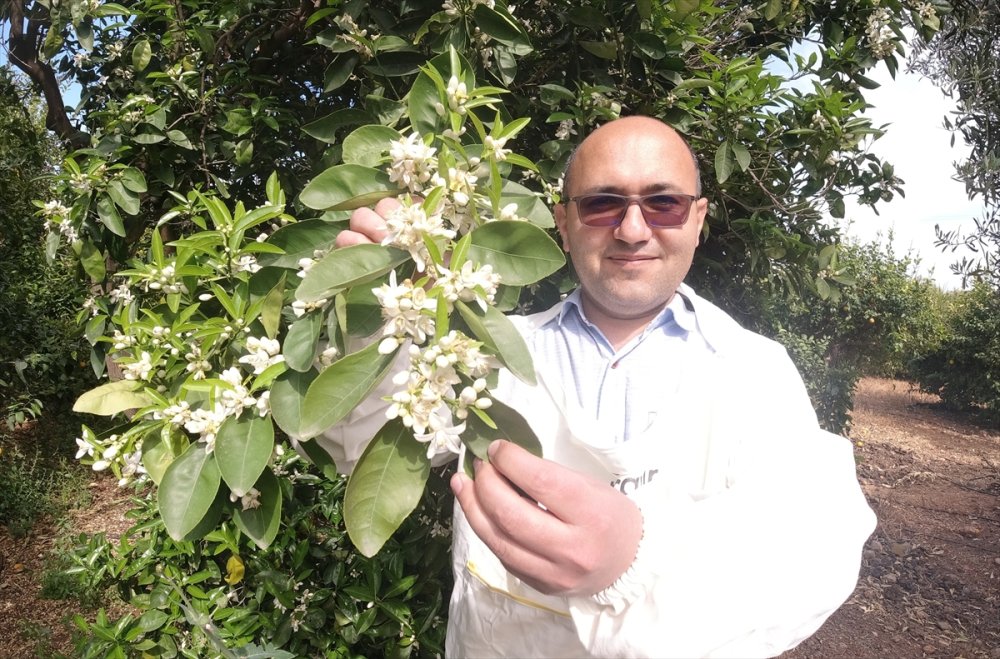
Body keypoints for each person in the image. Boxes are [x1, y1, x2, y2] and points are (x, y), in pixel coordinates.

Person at [323, 115, 876, 657]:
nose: (633, 230)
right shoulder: (478, 350)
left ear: (697, 219)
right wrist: (376, 315)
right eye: (602, 203)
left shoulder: (754, 367)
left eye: (664, 203)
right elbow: (364, 445)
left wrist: (635, 564)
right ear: (563, 223)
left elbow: (813, 542)